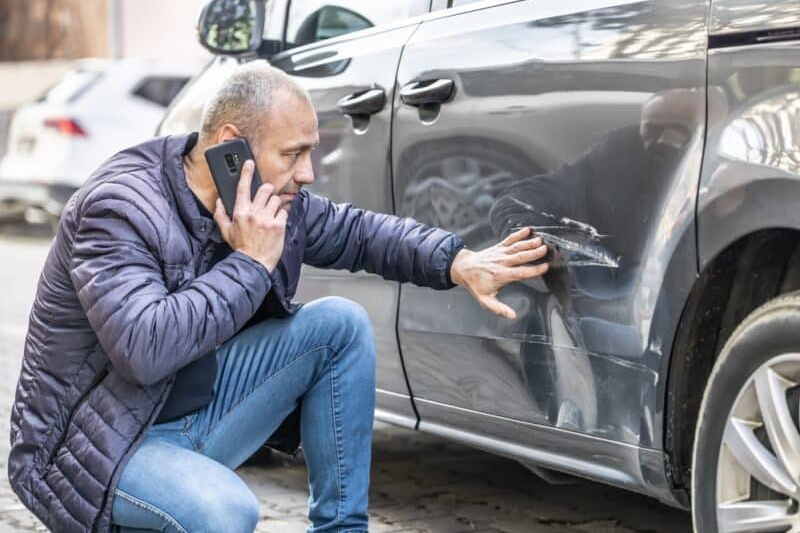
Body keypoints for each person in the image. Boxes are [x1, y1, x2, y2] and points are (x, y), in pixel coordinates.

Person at [8, 61, 549, 533]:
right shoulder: (119, 208)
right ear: (230, 146)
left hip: (188, 414)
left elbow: (360, 233)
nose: (307, 173)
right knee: (223, 513)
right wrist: (249, 262)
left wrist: (458, 262)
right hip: (98, 448)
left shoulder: (270, 199)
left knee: (339, 324)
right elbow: (144, 350)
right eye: (294, 154)